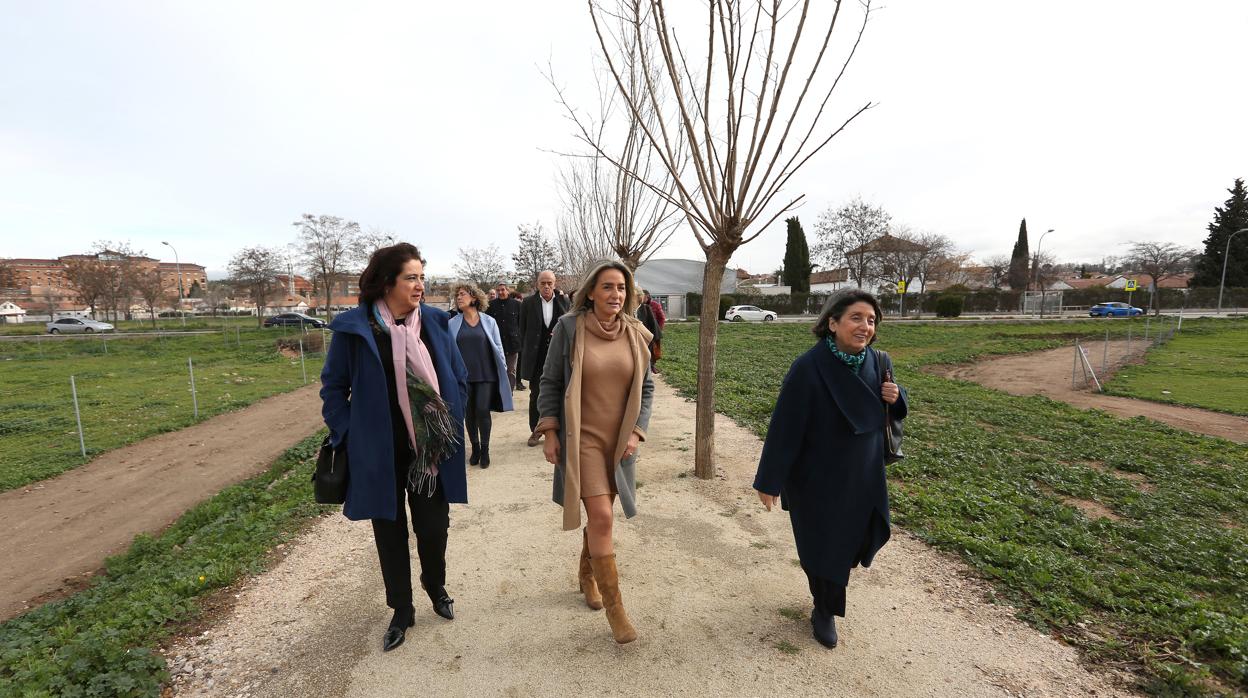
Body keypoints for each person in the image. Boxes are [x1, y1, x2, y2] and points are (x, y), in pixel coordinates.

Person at [320, 242, 468, 653]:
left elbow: (458, 375)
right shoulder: (356, 328)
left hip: (428, 448)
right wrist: (350, 432)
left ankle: (434, 585)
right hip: (379, 451)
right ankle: (401, 609)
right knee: (390, 531)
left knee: (433, 528)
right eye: (411, 278)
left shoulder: (435, 322)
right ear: (388, 282)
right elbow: (333, 388)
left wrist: (452, 418)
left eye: (423, 277)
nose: (420, 285)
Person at [752, 290, 907, 650]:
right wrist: (770, 480)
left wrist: (897, 398)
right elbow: (786, 427)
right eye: (855, 318)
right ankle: (824, 608)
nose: (865, 326)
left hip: (864, 474)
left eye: (871, 320)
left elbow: (892, 408)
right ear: (832, 323)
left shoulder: (879, 361)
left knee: (856, 540)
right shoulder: (809, 366)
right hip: (816, 478)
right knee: (822, 547)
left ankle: (828, 590)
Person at [535, 260, 654, 645]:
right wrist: (550, 430)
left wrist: (637, 432)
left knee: (602, 517)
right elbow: (550, 381)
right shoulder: (570, 329)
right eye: (607, 287)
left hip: (619, 442)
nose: (615, 295)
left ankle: (588, 576)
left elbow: (647, 389)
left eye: (621, 288)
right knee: (602, 514)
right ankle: (617, 612)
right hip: (581, 437)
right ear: (590, 292)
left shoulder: (637, 333)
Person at [449, 284, 513, 468]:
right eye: (457, 295)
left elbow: (499, 347)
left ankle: (485, 449)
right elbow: (448, 351)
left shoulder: (489, 321)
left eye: (462, 294)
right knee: (469, 413)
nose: (458, 298)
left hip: (486, 373)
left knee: (482, 410)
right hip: (463, 376)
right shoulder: (452, 323)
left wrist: (503, 370)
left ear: (474, 298)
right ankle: (475, 448)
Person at [519, 270, 570, 447]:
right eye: (543, 283)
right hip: (536, 356)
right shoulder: (527, 303)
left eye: (550, 283)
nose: (546, 286)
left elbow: (570, 325)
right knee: (536, 394)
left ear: (555, 284)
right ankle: (536, 429)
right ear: (537, 284)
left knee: (562, 393)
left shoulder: (564, 301)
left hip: (559, 354)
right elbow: (522, 330)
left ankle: (558, 430)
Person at [486, 281, 522, 391]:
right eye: (498, 290)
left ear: (507, 290)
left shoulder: (517, 305)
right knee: (497, 369)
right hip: (496, 343)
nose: (501, 292)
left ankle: (509, 393)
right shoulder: (490, 306)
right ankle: (498, 394)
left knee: (511, 371)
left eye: (503, 290)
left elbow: (521, 323)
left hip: (512, 343)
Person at [635, 289, 665, 373]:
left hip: (649, 331)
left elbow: (661, 318)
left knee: (650, 352)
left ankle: (651, 366)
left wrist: (658, 330)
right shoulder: (635, 307)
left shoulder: (653, 306)